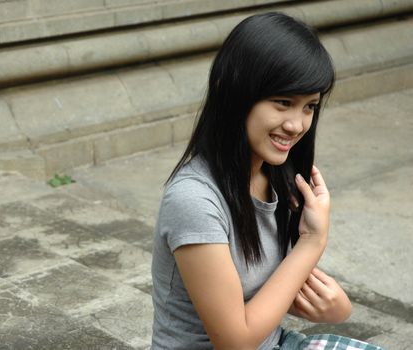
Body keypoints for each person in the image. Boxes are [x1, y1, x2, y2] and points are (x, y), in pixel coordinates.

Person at [151, 12, 385, 350]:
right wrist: (311, 243)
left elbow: (270, 293)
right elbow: (236, 342)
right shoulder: (193, 200)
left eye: (309, 107)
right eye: (283, 102)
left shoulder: (275, 177)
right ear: (233, 92)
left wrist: (336, 306)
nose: (296, 124)